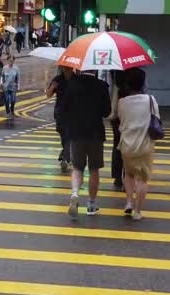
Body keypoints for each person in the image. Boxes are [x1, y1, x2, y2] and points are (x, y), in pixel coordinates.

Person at [62, 70, 111, 219]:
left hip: (76, 133)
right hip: (95, 134)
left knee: (77, 168)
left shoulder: (71, 85)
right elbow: (106, 112)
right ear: (95, 70)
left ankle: (75, 193)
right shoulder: (102, 86)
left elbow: (64, 109)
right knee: (94, 169)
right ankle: (91, 204)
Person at [117, 68, 158, 221]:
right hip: (145, 145)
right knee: (142, 178)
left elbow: (119, 118)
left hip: (127, 145)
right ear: (142, 84)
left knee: (128, 174)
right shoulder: (150, 100)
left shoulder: (122, 102)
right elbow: (157, 118)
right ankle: (138, 211)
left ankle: (128, 201)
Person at [47, 66, 74, 172]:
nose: (67, 70)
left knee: (70, 136)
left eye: (69, 68)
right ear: (62, 68)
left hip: (73, 113)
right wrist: (52, 87)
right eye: (65, 68)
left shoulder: (77, 80)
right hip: (60, 113)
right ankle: (65, 154)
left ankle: (65, 157)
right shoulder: (57, 79)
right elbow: (48, 95)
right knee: (64, 137)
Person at [108, 70, 127, 189]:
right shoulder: (139, 73)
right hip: (132, 113)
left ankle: (118, 177)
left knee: (117, 144)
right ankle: (127, 176)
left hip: (116, 115)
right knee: (130, 146)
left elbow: (110, 92)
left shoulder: (113, 73)